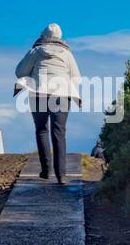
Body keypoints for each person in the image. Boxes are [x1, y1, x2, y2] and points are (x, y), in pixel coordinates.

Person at [14, 23, 82, 185]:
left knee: (42, 130)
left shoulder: (36, 51)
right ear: (60, 38)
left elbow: (19, 72)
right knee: (59, 133)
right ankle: (62, 175)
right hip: (62, 94)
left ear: (43, 36)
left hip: (39, 93)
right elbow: (77, 78)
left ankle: (46, 170)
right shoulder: (67, 54)